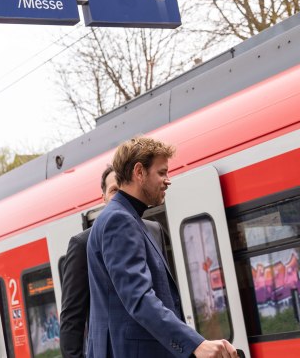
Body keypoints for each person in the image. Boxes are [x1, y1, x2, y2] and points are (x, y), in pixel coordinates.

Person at [86, 137, 238, 358]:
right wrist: (195, 344)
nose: (168, 180)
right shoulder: (120, 220)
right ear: (139, 172)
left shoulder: (124, 217)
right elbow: (138, 298)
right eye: (162, 172)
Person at [60, 165, 119, 357]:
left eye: (124, 189)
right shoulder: (82, 245)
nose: (119, 196)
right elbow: (71, 320)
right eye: (113, 190)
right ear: (103, 197)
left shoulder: (153, 231)